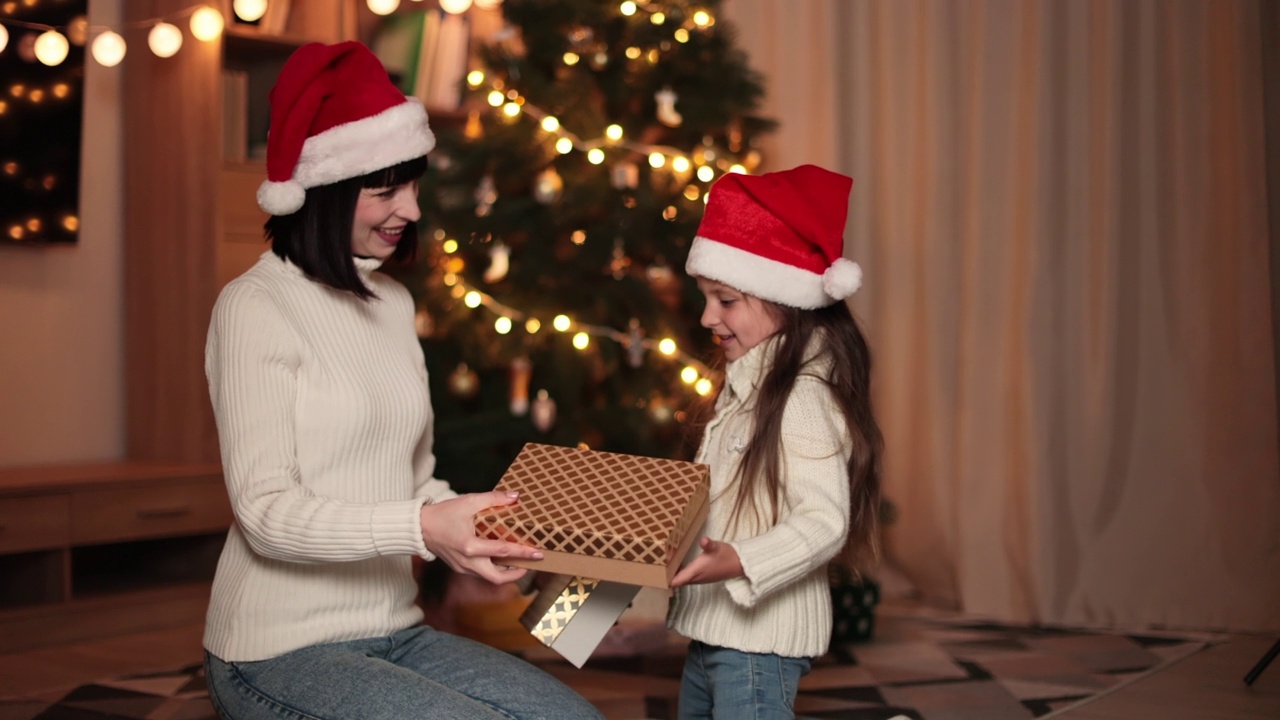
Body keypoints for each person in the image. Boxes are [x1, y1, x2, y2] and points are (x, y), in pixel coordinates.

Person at [202, 41, 602, 720]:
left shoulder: (393, 303)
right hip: (274, 650)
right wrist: (425, 528)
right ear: (324, 191)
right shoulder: (254, 307)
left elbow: (415, 481)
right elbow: (265, 515)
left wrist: (484, 534)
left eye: (413, 185)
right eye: (385, 189)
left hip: (396, 629)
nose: (411, 210)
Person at [668, 165, 884, 719]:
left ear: (783, 299)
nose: (706, 316)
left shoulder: (803, 398)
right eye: (705, 297)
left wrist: (741, 559)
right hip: (710, 633)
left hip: (758, 647)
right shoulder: (747, 388)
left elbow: (824, 521)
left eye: (725, 299)